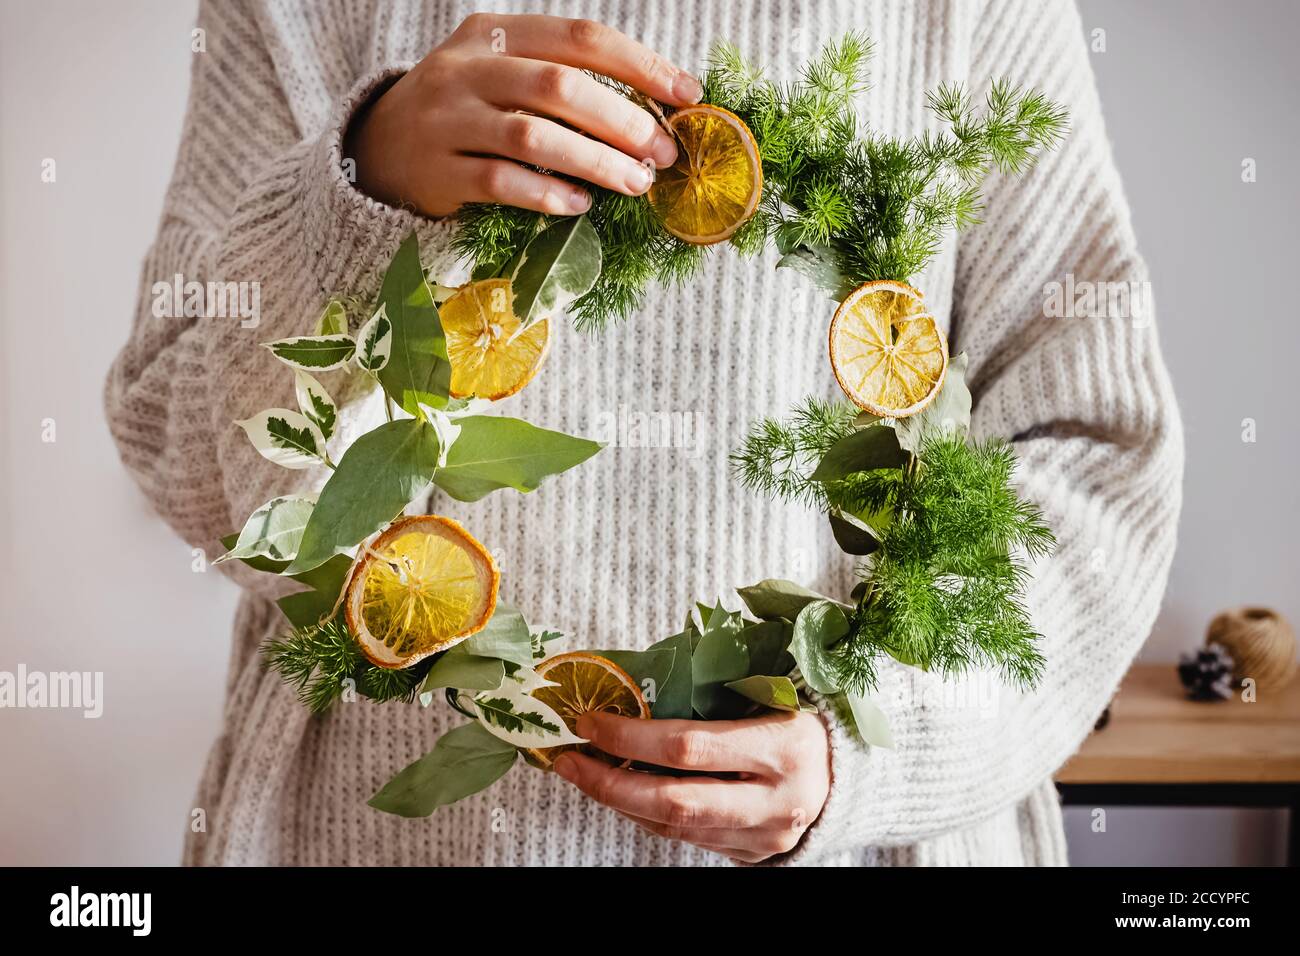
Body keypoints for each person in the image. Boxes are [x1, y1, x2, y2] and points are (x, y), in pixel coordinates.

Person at [104, 0, 1183, 866]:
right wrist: (358, 191)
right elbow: (180, 447)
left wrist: (875, 744)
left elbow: (1095, 447)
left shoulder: (965, 15)